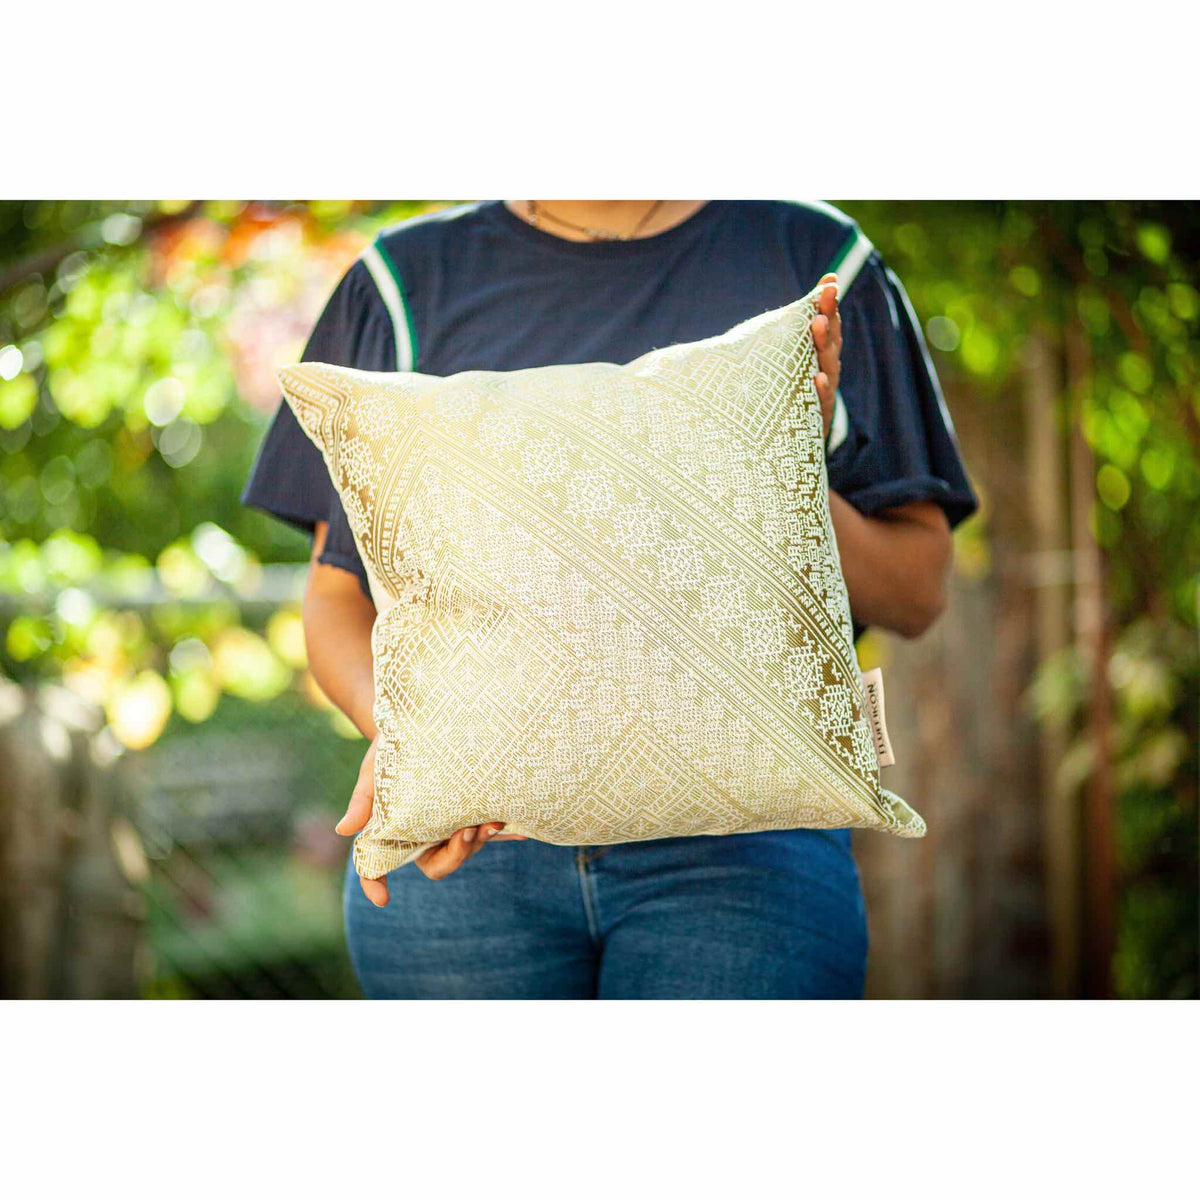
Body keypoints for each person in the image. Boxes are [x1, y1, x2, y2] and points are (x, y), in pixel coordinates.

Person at [242, 200, 977, 999]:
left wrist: (778, 477)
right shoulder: (401, 281)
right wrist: (406, 742)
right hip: (467, 865)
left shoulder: (814, 255)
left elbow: (920, 589)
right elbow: (334, 601)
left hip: (748, 857)